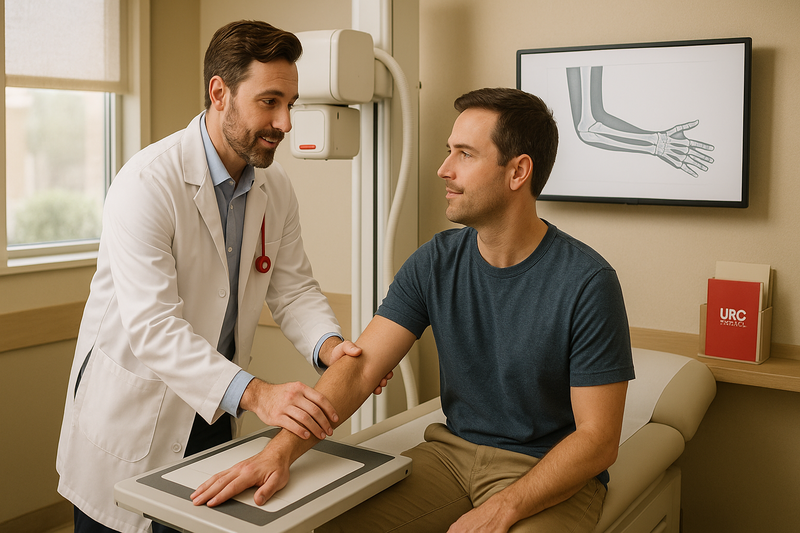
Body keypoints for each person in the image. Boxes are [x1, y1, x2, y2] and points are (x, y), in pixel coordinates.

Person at [190, 87, 635, 533]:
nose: (444, 169)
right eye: (449, 150)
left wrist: (505, 506)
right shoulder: (436, 261)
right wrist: (277, 453)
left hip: (543, 468)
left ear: (518, 171)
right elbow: (360, 369)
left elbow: (597, 440)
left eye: (465, 154)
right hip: (451, 456)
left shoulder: (587, 282)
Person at [55, 20, 388, 533]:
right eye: (269, 102)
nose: (285, 122)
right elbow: (153, 328)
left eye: (290, 104)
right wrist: (259, 394)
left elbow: (294, 289)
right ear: (219, 93)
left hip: (212, 413)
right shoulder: (147, 182)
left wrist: (329, 346)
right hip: (132, 418)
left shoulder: (275, 189)